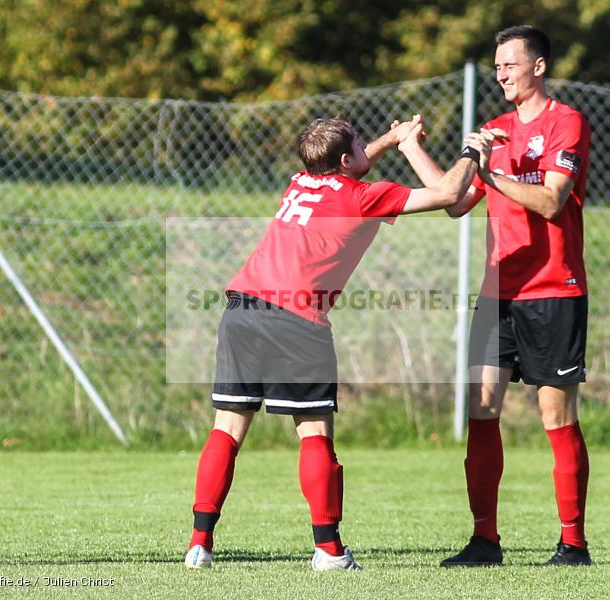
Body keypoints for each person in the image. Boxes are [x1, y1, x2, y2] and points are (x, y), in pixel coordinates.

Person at [184, 115, 491, 571]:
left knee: (227, 428)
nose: (368, 146)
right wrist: (471, 152)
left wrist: (394, 138)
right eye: (361, 143)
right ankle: (328, 551)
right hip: (296, 318)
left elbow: (349, 165)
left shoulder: (300, 182)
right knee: (314, 434)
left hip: (242, 307)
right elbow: (449, 194)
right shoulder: (363, 196)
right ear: (346, 160)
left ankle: (199, 544)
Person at [400, 25, 593, 567]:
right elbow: (455, 201)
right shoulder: (495, 130)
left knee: (556, 417)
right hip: (497, 294)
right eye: (497, 65)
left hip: (553, 291)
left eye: (510, 63)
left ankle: (573, 544)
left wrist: (493, 172)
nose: (501, 73)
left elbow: (553, 201)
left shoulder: (566, 122)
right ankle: (485, 541)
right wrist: (414, 147)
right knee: (481, 411)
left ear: (539, 66)